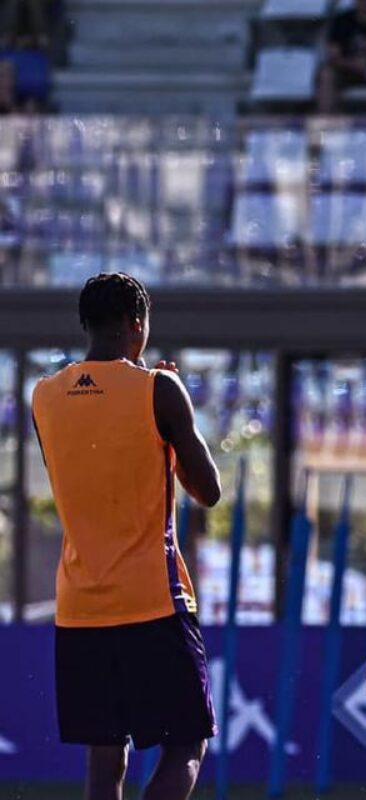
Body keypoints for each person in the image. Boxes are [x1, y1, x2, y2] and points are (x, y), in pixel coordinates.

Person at [32, 273, 222, 800]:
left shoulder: (44, 396)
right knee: (186, 744)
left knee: (104, 758)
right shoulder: (158, 388)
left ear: (85, 325)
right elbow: (208, 491)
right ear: (136, 327)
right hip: (151, 601)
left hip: (79, 607)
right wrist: (168, 409)